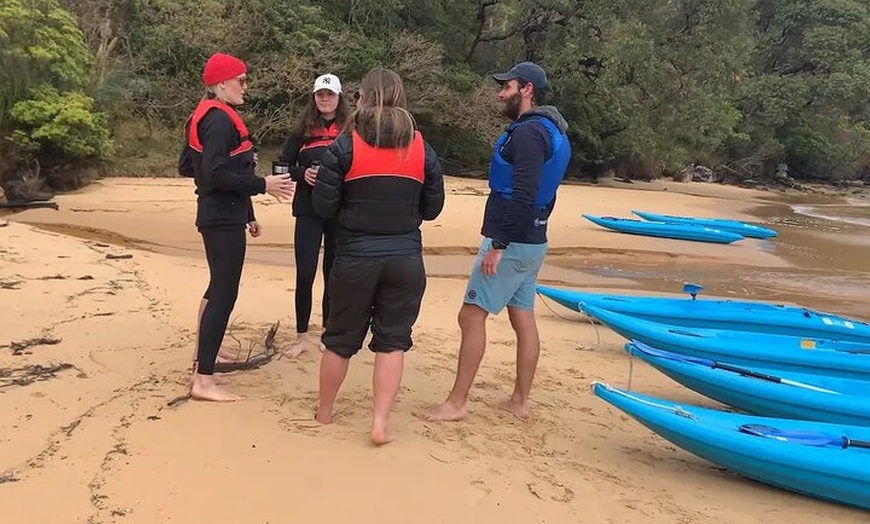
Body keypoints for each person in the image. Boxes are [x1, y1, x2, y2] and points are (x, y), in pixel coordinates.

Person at [428, 61, 571, 421]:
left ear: (526, 89)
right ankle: (520, 401)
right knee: (522, 318)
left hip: (512, 243)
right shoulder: (551, 130)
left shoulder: (528, 134)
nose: (500, 93)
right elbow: (545, 194)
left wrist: (499, 244)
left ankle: (457, 403)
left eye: (507, 87)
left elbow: (525, 192)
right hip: (534, 240)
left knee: (470, 316)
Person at [311, 67, 445, 444]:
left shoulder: (345, 144)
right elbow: (432, 208)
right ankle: (380, 422)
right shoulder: (421, 147)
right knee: (393, 340)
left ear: (363, 98)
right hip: (405, 257)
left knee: (339, 339)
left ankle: (324, 413)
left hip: (355, 256)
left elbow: (324, 205)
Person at [180, 52, 296, 402]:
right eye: (241, 80)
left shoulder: (206, 116)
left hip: (222, 213)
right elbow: (213, 173)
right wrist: (263, 186)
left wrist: (247, 211)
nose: (246, 86)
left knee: (218, 287)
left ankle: (205, 354)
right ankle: (203, 379)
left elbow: (190, 166)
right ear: (220, 84)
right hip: (219, 216)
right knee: (224, 293)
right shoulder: (217, 120)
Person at [278, 74, 350, 358]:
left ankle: (328, 333)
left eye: (330, 95)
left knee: (333, 273)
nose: (324, 99)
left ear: (339, 98)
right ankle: (300, 337)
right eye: (320, 94)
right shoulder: (301, 131)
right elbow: (280, 168)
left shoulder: (349, 130)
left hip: (336, 209)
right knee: (305, 272)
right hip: (307, 209)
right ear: (314, 97)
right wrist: (301, 173)